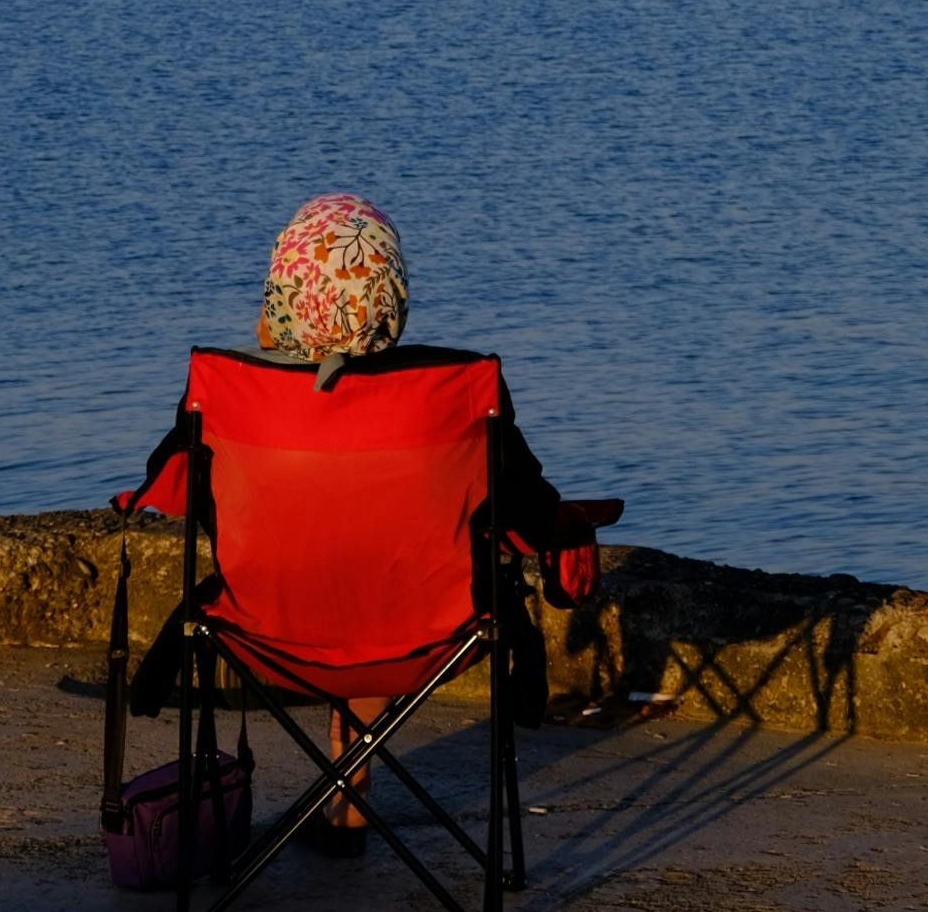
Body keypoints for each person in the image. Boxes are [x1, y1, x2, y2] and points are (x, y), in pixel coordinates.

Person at [126, 191, 616, 853]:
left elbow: (175, 490)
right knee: (382, 582)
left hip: (267, 628)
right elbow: (529, 509)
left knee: (339, 574)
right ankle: (354, 809)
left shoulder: (232, 392)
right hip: (426, 633)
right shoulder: (453, 392)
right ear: (391, 292)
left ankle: (346, 814)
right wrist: (573, 526)